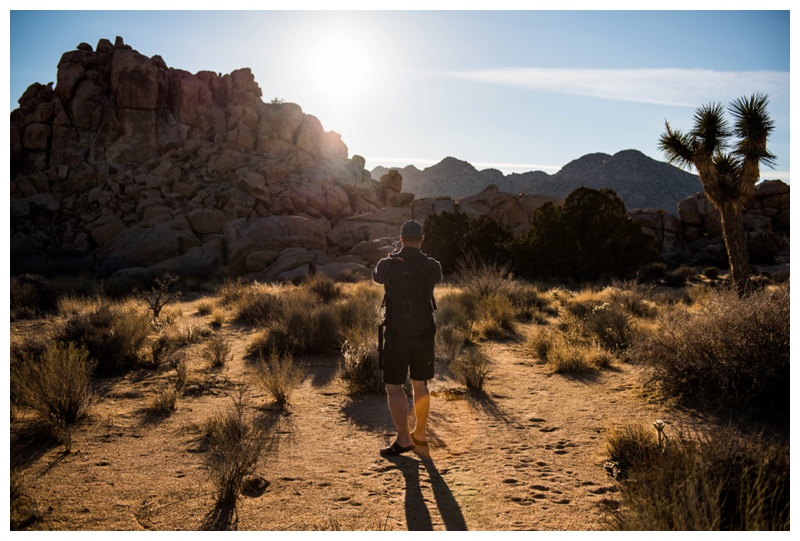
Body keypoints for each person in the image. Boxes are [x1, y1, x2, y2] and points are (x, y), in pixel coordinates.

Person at [373, 220, 443, 456]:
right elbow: (437, 276)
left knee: (394, 386)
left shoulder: (388, 264)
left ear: (401, 238)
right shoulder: (431, 265)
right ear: (422, 239)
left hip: (396, 332)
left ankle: (404, 439)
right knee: (420, 384)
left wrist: (394, 254)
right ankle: (420, 435)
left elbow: (377, 277)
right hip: (424, 332)